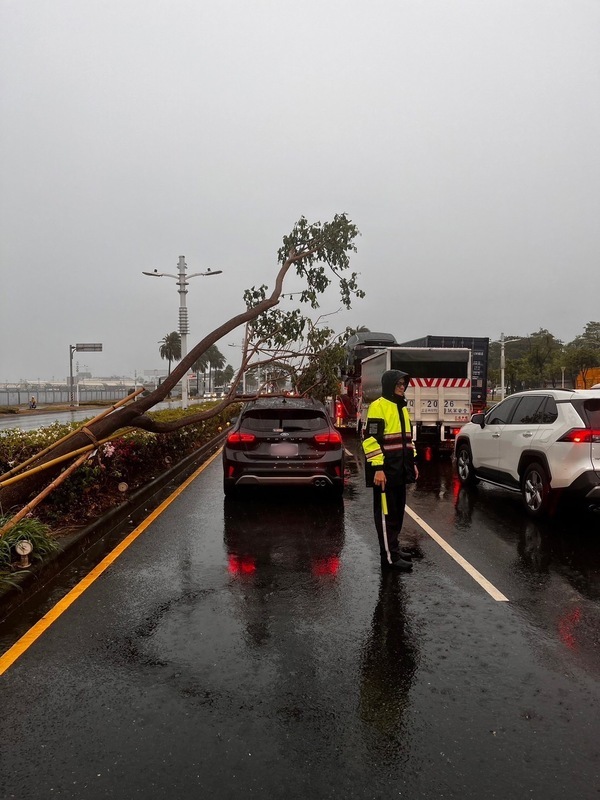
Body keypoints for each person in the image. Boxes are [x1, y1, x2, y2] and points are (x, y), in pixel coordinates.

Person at [362, 370, 418, 572]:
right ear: (389, 385)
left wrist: (413, 463)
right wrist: (377, 468)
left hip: (400, 470)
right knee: (386, 516)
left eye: (404, 384)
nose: (402, 387)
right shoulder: (379, 406)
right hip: (385, 472)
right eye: (398, 384)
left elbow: (407, 439)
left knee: (397, 513)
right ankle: (389, 558)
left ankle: (393, 549)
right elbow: (370, 440)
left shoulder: (401, 407)